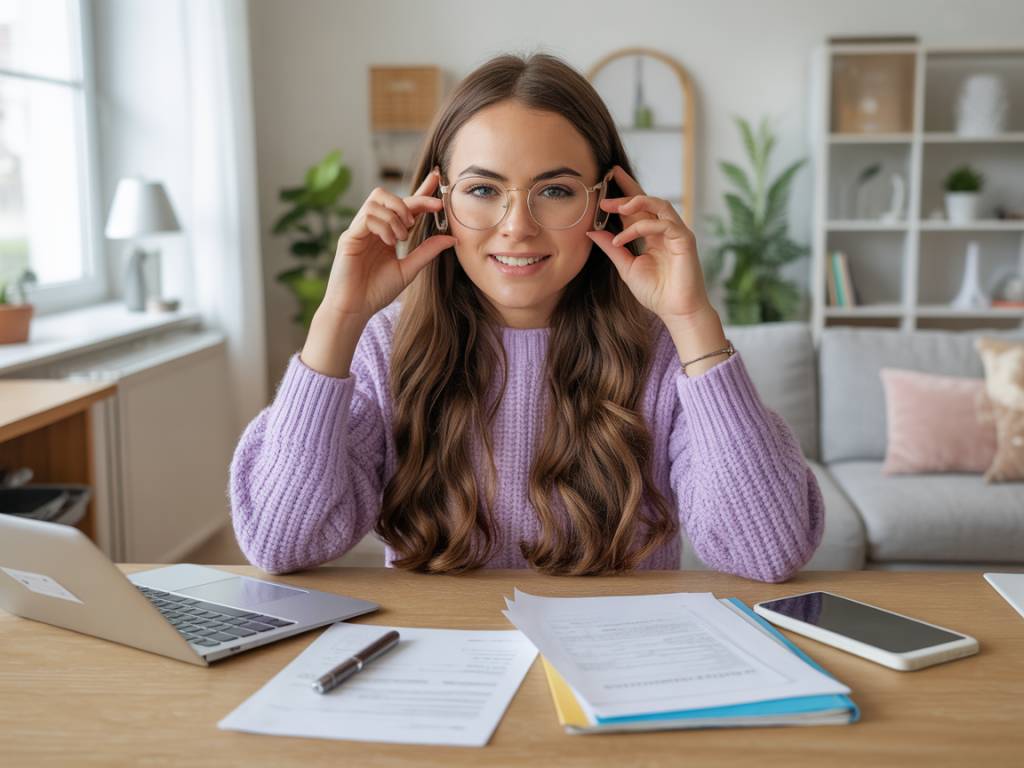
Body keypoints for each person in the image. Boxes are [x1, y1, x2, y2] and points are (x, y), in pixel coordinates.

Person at [230, 52, 824, 580]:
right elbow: (280, 543)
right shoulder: (385, 349)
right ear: (439, 205)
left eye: (556, 190)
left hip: (617, 676)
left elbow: (767, 550)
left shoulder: (667, 355)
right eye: (483, 190)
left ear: (604, 202)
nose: (517, 226)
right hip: (446, 677)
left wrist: (692, 318)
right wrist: (339, 316)